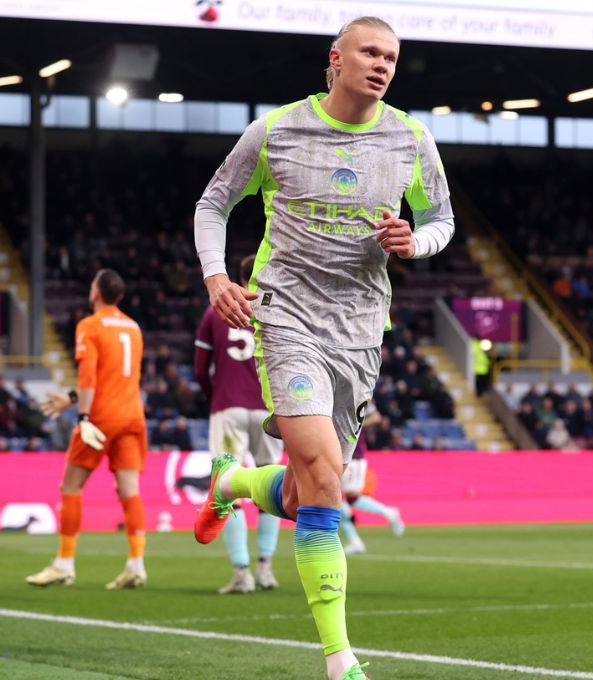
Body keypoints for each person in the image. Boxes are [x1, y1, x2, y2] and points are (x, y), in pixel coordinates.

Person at [191, 16, 453, 680]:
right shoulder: (276, 130)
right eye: (370, 52)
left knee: (310, 492)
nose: (382, 64)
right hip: (286, 318)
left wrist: (415, 242)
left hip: (361, 333)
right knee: (325, 479)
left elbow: (442, 220)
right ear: (336, 58)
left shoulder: (411, 139)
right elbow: (214, 203)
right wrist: (217, 276)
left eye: (391, 57)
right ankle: (341, 660)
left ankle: (235, 482)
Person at [26, 269, 149, 590]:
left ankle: (64, 564)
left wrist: (81, 415)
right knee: (130, 490)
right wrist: (70, 397)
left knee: (70, 486)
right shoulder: (133, 327)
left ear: (96, 292)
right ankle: (136, 565)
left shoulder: (90, 326)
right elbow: (115, 376)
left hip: (101, 418)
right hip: (132, 416)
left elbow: (90, 377)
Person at [194, 254, 284, 594]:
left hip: (228, 409)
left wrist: (215, 397)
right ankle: (266, 568)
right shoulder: (274, 309)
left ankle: (241, 572)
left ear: (239, 276)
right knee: (270, 485)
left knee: (226, 485)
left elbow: (200, 368)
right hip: (268, 409)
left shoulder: (216, 309)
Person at [337, 406, 404, 555]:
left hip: (353, 455)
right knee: (335, 500)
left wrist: (353, 425)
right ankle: (355, 540)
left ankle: (388, 513)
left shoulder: (358, 395)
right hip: (337, 452)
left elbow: (376, 417)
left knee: (348, 498)